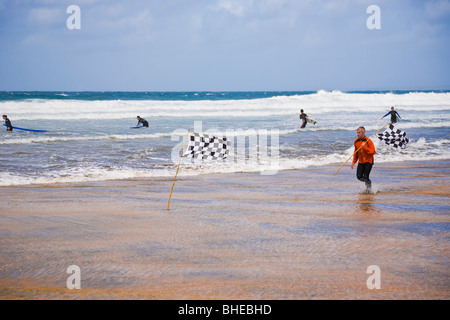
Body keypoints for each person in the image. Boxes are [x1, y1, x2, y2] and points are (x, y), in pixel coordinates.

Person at [350, 126, 376, 192]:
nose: (357, 134)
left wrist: (365, 148)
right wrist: (353, 162)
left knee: (366, 176)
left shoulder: (368, 141)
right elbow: (356, 153)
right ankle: (368, 182)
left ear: (363, 133)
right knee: (359, 177)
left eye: (359, 133)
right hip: (361, 161)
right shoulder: (356, 141)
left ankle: (368, 190)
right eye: (357, 132)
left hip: (368, 161)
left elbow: (373, 152)